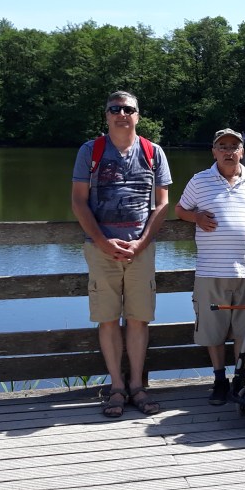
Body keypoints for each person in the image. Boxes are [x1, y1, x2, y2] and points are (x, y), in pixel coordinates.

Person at [71, 91, 172, 418]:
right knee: (108, 319)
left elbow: (163, 203)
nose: (121, 114)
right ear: (106, 116)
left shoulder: (153, 152)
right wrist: (102, 241)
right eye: (115, 109)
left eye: (128, 109)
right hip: (101, 250)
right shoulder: (91, 151)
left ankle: (137, 387)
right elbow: (78, 201)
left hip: (141, 250)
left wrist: (142, 242)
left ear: (137, 116)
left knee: (139, 319)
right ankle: (116, 387)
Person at [175, 128, 245, 404]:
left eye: (234, 146)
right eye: (223, 146)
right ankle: (219, 379)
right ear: (214, 151)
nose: (229, 151)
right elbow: (179, 209)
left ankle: (240, 378)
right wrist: (195, 217)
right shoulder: (199, 180)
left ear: (242, 151)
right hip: (211, 272)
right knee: (213, 331)